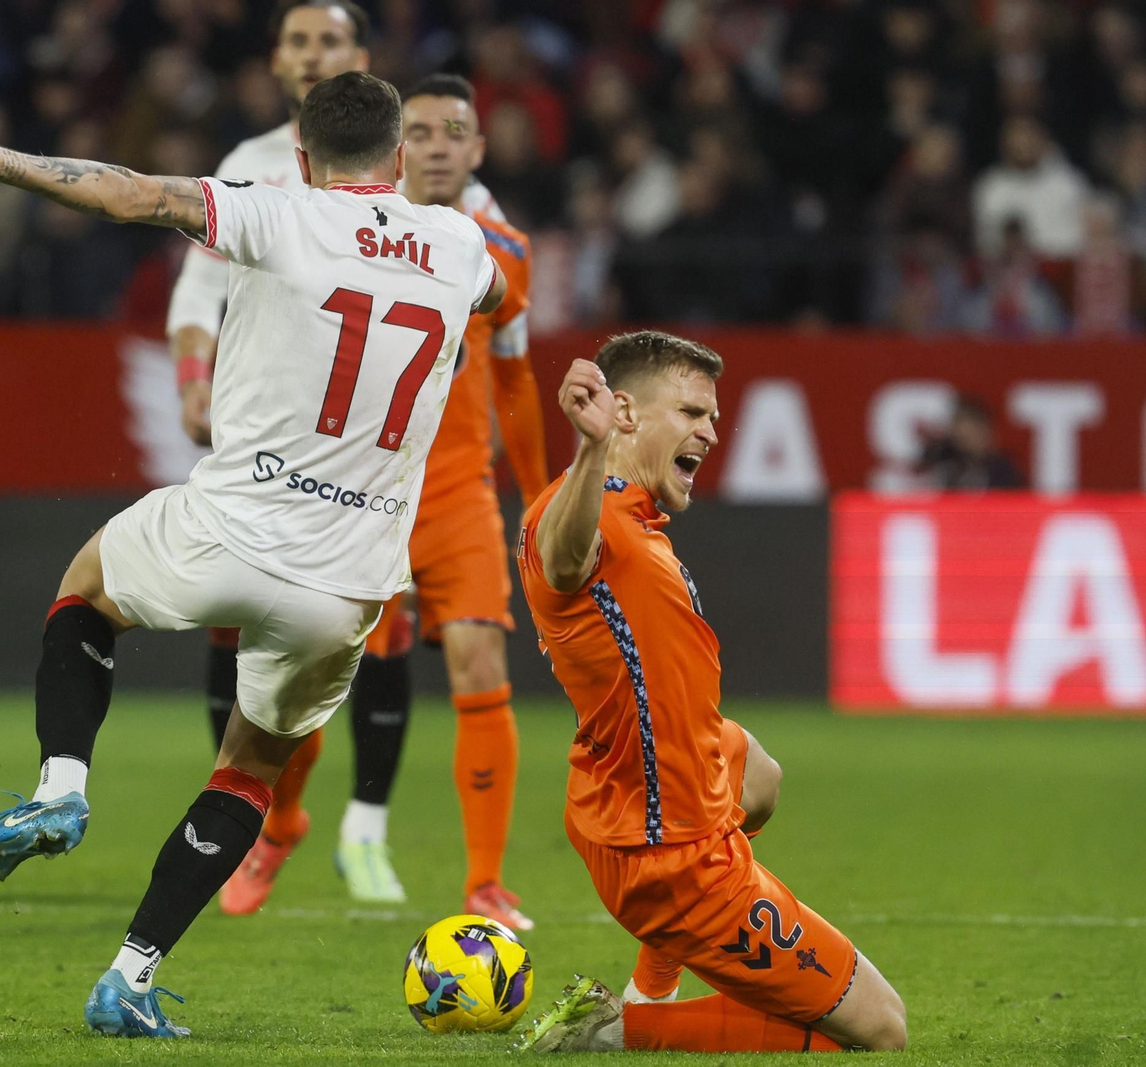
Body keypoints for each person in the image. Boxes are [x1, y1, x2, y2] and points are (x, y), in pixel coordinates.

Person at [0, 71, 504, 1039]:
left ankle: (62, 786)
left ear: (302, 158)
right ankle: (130, 976)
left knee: (88, 587)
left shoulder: (277, 212)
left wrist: (2, 162)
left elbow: (134, 192)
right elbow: (496, 291)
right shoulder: (461, 243)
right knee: (249, 771)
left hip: (230, 525)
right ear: (400, 158)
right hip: (347, 583)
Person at [165, 0, 502, 902]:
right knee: (247, 631)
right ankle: (260, 818)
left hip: (376, 459)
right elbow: (197, 291)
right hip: (270, 440)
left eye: (331, 42)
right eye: (299, 40)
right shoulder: (253, 170)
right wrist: (193, 380)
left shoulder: (425, 172)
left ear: (361, 59)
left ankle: (364, 827)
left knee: (365, 636)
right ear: (276, 60)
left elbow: (497, 280)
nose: (313, 54)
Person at [513, 332, 907, 1053]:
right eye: (693, 411)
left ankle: (654, 981)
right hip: (671, 855)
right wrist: (590, 447)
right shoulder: (583, 513)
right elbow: (564, 561)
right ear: (623, 413)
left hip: (624, 791)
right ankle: (615, 1030)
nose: (712, 431)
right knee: (882, 1028)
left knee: (758, 772)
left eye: (714, 415)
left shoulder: (633, 515)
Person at [217, 74, 547, 928]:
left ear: (478, 149)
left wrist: (543, 498)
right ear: (402, 149)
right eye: (426, 131)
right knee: (317, 671)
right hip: (359, 489)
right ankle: (283, 823)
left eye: (457, 132)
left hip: (457, 492)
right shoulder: (349, 226)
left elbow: (514, 374)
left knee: (480, 660)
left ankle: (485, 883)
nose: (440, 145)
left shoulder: (496, 246)